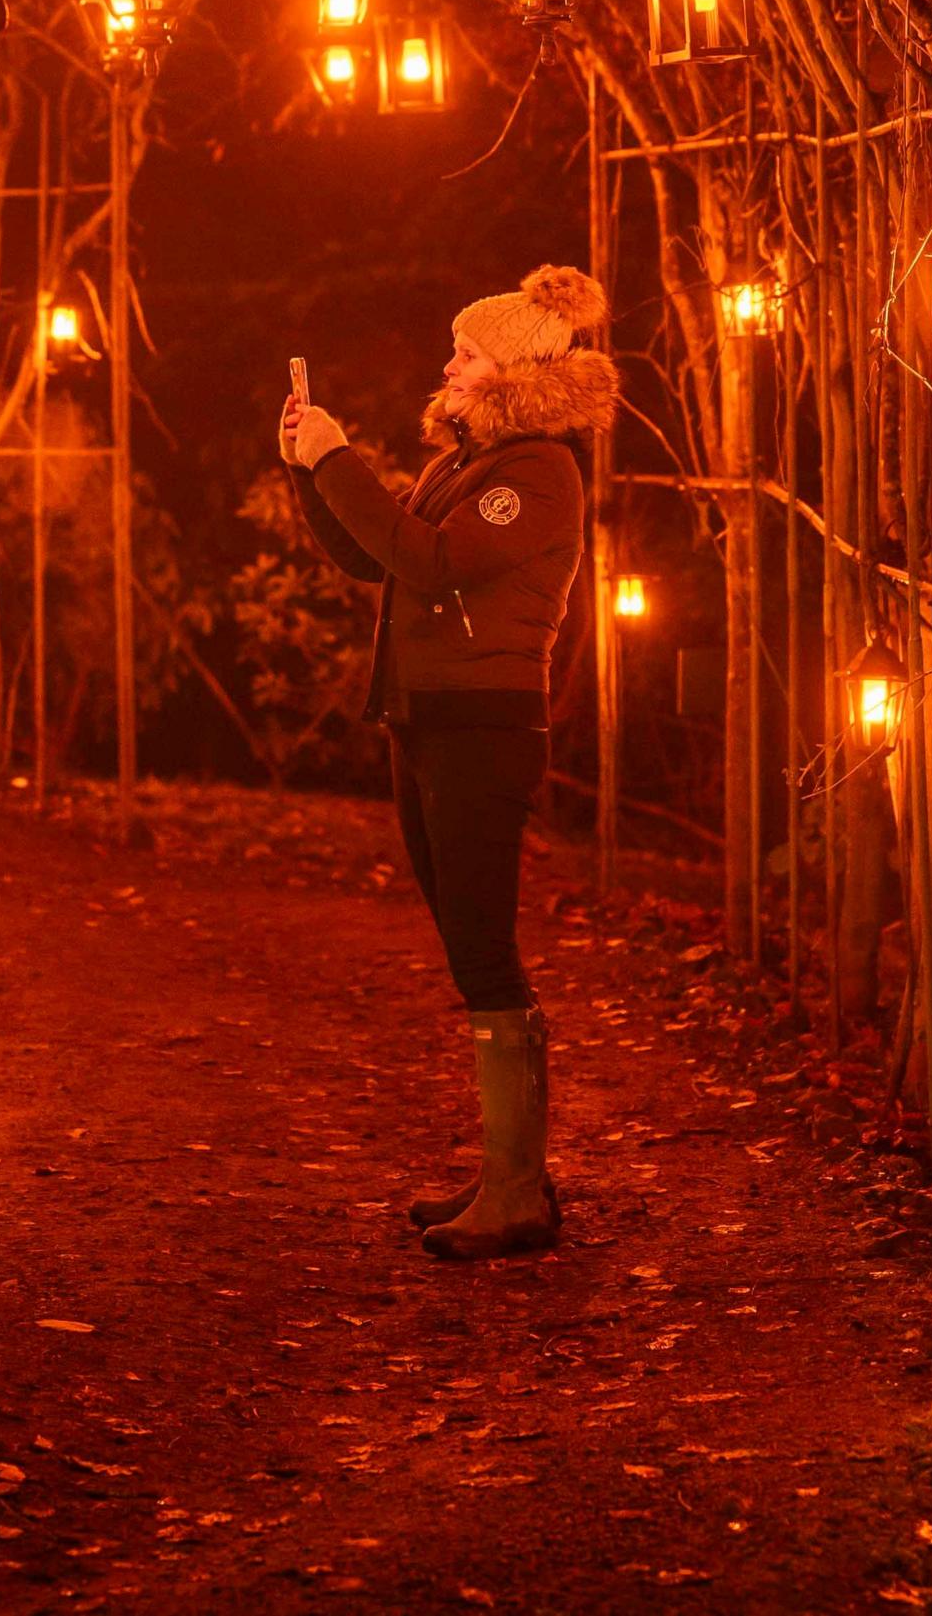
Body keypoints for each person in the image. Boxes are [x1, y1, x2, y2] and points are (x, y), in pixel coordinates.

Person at [279, 264, 614, 1262]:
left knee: (482, 948)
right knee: (468, 945)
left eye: (466, 350)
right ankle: (509, 1174)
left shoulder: (540, 471)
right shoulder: (466, 461)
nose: (448, 362)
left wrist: (340, 459)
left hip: (484, 724)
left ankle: (516, 1188)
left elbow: (431, 562)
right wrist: (309, 469)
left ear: (511, 369)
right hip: (426, 717)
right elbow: (371, 554)